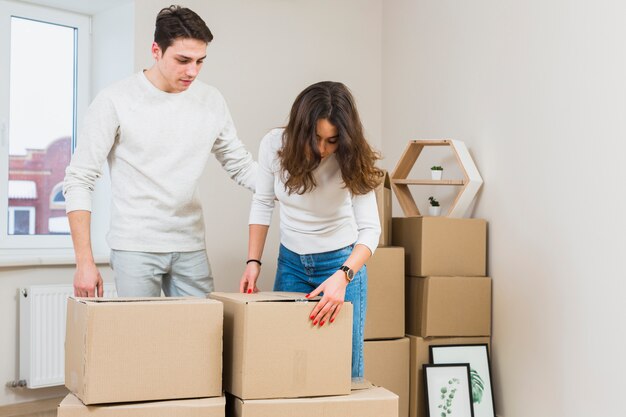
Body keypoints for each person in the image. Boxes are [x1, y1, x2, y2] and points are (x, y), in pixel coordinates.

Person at [64, 5, 257, 298]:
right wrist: (84, 262)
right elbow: (79, 179)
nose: (192, 71)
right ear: (156, 50)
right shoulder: (115, 100)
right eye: (183, 60)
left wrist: (294, 186)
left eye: (200, 61)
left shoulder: (211, 100)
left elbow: (241, 165)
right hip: (135, 247)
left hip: (190, 244)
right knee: (142, 341)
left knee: (202, 337)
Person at [239, 81, 382, 380]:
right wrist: (253, 262)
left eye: (332, 141)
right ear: (300, 129)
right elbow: (263, 202)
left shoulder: (351, 156)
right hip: (291, 264)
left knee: (346, 371)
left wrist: (343, 276)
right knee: (289, 364)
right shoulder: (273, 145)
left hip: (341, 266)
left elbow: (370, 230)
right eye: (316, 138)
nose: (322, 149)